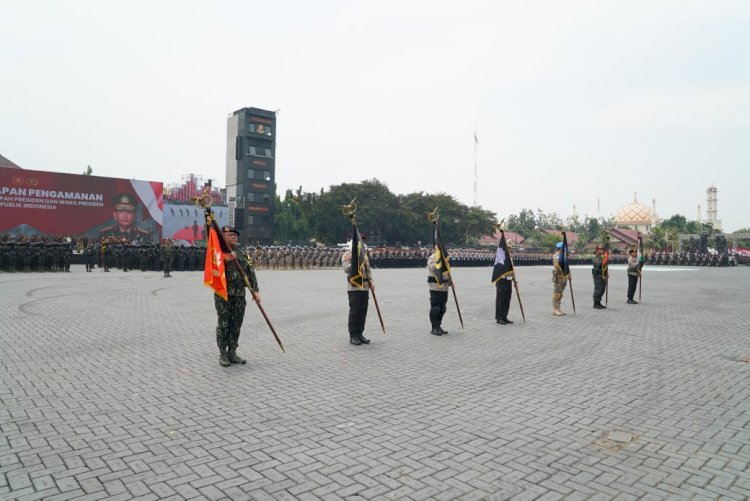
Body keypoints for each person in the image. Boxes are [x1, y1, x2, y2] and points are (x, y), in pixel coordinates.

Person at [215, 225, 260, 367]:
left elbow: (250, 272)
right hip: (223, 295)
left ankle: (232, 352)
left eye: (235, 235)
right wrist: (225, 259)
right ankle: (223, 354)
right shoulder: (217, 252)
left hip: (239, 295)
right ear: (223, 237)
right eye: (230, 235)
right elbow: (212, 269)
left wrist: (255, 290)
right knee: (224, 324)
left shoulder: (242, 253)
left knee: (236, 324)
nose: (234, 237)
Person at [341, 234, 373, 346]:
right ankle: (353, 335)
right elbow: (346, 269)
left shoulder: (364, 256)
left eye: (363, 242)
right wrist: (355, 261)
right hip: (354, 287)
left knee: (363, 311)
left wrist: (371, 283)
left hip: (364, 287)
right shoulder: (348, 255)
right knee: (355, 311)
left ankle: (360, 333)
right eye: (360, 241)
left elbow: (368, 271)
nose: (362, 243)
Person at [426, 252, 450, 335]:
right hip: (435, 286)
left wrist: (450, 281)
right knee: (436, 307)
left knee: (442, 308)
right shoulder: (433, 257)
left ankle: (438, 325)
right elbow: (432, 267)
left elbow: (447, 271)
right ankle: (434, 328)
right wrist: (439, 261)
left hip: (445, 287)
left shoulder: (445, 258)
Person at [552, 242, 567, 316]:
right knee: (557, 294)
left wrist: (569, 274)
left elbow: (567, 266)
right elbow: (557, 265)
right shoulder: (556, 255)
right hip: (558, 277)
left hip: (564, 277)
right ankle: (555, 309)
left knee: (560, 294)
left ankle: (558, 308)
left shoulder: (564, 256)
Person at [592, 245, 607, 309]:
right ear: (597, 250)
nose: (602, 251)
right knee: (598, 289)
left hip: (603, 275)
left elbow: (605, 266)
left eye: (602, 250)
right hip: (597, 275)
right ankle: (596, 303)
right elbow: (598, 264)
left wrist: (606, 274)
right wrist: (605, 260)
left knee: (602, 289)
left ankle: (599, 302)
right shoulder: (595, 257)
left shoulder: (602, 257)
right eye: (600, 249)